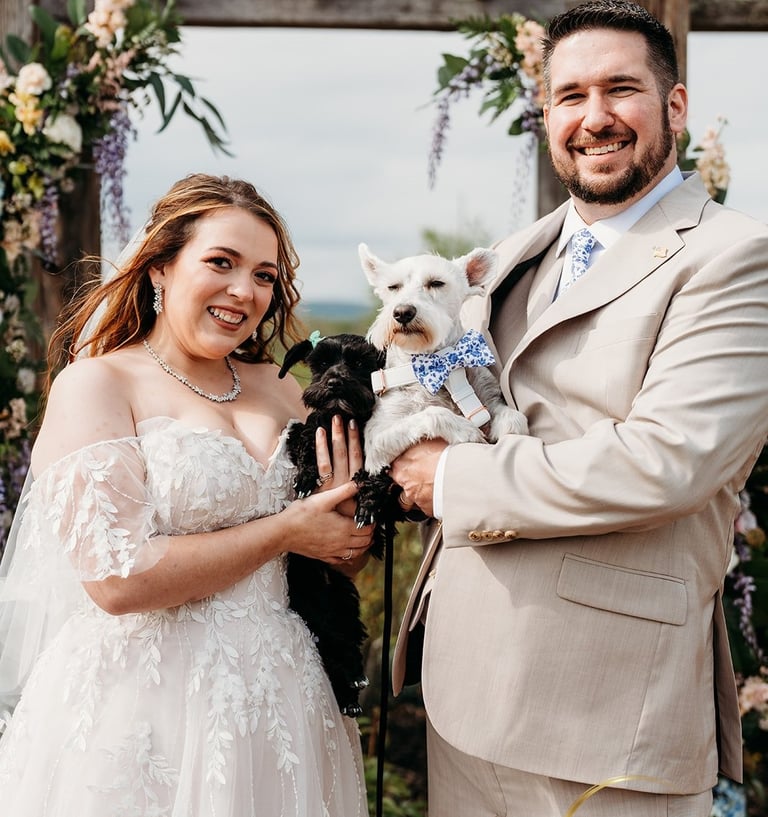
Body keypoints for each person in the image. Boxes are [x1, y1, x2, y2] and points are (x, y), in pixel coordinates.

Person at [389, 2, 768, 816]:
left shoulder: (735, 255)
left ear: (674, 106)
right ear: (547, 115)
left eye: (620, 89)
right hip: (462, 697)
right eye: (570, 96)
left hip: (606, 712)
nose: (594, 118)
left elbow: (667, 460)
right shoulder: (515, 251)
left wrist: (448, 478)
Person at [0, 173, 373, 815]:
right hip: (142, 702)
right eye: (221, 263)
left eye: (263, 275)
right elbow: (116, 581)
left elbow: (339, 555)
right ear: (161, 268)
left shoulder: (286, 388)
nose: (244, 291)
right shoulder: (98, 384)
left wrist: (348, 526)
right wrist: (286, 531)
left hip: (283, 695)